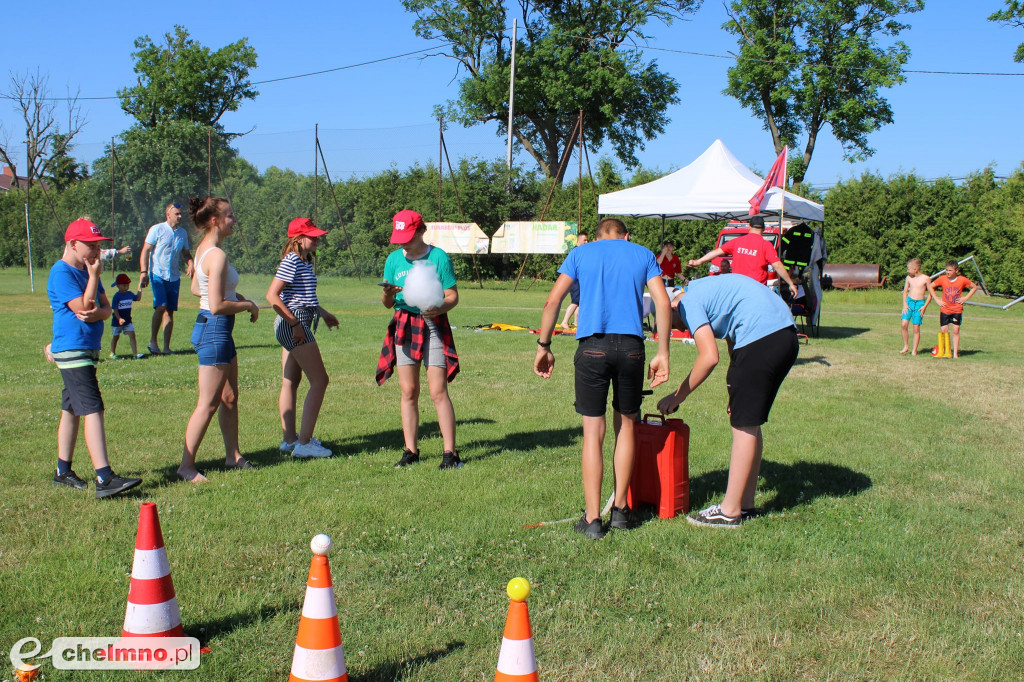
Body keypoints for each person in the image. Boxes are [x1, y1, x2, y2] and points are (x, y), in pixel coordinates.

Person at [534, 217, 672, 540]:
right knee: (626, 425)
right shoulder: (642, 254)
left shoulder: (581, 254)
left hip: (592, 347)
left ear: (596, 237)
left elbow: (553, 301)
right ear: (626, 236)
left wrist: (544, 345)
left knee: (593, 432)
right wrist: (662, 352)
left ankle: (593, 519)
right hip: (631, 348)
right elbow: (663, 302)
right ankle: (622, 511)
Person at [657, 273, 799, 528]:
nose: (681, 328)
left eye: (675, 323)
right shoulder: (704, 289)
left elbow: (709, 356)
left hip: (762, 336)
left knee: (744, 426)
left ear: (673, 306)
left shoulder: (688, 302)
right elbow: (733, 337)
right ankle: (746, 504)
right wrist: (736, 389)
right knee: (749, 421)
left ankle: (729, 511)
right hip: (784, 335)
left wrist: (677, 396)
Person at [47, 218, 142, 499]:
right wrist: (92, 280)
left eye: (99, 246)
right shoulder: (61, 272)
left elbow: (103, 310)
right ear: (72, 244)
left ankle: (62, 472)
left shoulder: (90, 272)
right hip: (73, 351)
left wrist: (95, 297)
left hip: (84, 349)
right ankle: (104, 478)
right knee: (93, 408)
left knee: (72, 409)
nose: (96, 251)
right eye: (91, 245)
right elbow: (85, 306)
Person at [177, 197, 260, 482]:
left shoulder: (205, 251)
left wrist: (230, 295)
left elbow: (194, 288)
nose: (234, 220)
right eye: (230, 215)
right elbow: (215, 305)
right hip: (214, 328)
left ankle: (232, 455)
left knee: (229, 398)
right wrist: (247, 304)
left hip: (216, 330)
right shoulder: (216, 255)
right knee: (208, 403)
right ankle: (186, 466)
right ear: (215, 220)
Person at [377, 209, 462, 469]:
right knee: (408, 391)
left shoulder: (438, 257)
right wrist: (389, 294)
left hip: (433, 324)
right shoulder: (393, 260)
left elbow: (452, 296)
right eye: (399, 236)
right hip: (404, 324)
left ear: (421, 231)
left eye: (408, 236)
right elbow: (386, 303)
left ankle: (450, 454)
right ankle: (411, 451)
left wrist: (440, 308)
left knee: (438, 391)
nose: (403, 241)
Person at [266, 218, 340, 459]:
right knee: (320, 380)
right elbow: (272, 296)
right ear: (298, 239)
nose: (317, 239)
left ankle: (290, 441)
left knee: (291, 380)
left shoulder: (304, 261)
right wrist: (296, 324)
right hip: (293, 323)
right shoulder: (292, 261)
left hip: (296, 320)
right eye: (312, 236)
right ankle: (305, 443)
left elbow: (303, 297)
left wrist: (323, 313)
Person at [687, 217, 798, 298]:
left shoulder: (737, 241)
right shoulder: (766, 245)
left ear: (749, 226)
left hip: (737, 289)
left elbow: (716, 252)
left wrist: (698, 261)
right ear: (763, 229)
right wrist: (791, 283)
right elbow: (777, 265)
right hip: (756, 290)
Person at [139, 203, 194, 355]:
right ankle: (153, 341)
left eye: (180, 214)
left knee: (169, 311)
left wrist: (190, 263)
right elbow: (146, 251)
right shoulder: (157, 229)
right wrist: (144, 272)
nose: (180, 216)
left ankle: (167, 347)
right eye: (177, 214)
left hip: (174, 276)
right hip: (157, 273)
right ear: (168, 215)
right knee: (161, 306)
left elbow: (186, 253)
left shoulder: (183, 233)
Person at [929, 260, 979, 359]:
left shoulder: (962, 280)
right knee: (944, 330)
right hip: (945, 309)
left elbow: (974, 287)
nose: (948, 272)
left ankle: (955, 353)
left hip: (957, 309)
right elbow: (931, 286)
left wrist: (965, 298)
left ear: (956, 270)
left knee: (956, 330)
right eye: (946, 270)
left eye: (950, 270)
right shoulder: (942, 279)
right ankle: (945, 351)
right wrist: (937, 299)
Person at [900, 258, 931, 355]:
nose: (907, 270)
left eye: (909, 268)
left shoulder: (926, 278)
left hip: (919, 304)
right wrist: (905, 304)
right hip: (909, 302)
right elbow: (905, 291)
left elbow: (931, 294)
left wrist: (924, 306)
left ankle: (914, 350)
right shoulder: (908, 278)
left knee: (916, 328)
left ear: (916, 269)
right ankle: (906, 345)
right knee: (904, 324)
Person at [109, 273, 144, 359]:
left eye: (127, 285)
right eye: (124, 285)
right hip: (117, 322)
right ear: (118, 286)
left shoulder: (130, 294)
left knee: (132, 335)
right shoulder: (116, 297)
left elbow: (138, 298)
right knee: (116, 337)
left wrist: (140, 287)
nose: (126, 287)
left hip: (128, 321)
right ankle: (112, 352)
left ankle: (135, 354)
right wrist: (119, 318)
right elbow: (115, 310)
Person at [558, 232, 588, 329]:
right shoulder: (576, 252)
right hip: (575, 280)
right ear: (578, 241)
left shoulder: (581, 251)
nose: (587, 242)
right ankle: (565, 321)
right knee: (575, 301)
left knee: (579, 301)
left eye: (587, 240)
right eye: (585, 240)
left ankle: (576, 322)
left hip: (579, 280)